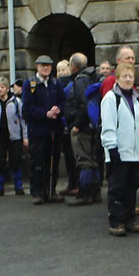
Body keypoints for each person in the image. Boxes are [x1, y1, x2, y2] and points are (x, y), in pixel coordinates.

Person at [101, 63, 139, 236]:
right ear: (117, 78)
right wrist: (111, 147)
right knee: (117, 188)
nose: (128, 79)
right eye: (124, 76)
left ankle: (130, 219)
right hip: (119, 152)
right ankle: (116, 221)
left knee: (132, 187)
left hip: (134, 153)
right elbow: (108, 124)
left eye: (130, 76)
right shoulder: (111, 98)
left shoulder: (137, 99)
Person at [21, 55, 66, 205]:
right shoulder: (30, 84)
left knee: (52, 160)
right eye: (42, 65)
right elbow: (27, 108)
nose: (45, 68)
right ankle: (38, 192)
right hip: (38, 129)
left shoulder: (55, 83)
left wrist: (58, 110)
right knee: (37, 161)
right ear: (37, 66)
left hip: (54, 128)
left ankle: (51, 190)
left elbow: (63, 101)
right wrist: (45, 113)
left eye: (48, 65)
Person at [64, 52, 101, 206]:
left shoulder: (80, 81)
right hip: (92, 125)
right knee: (92, 159)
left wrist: (77, 125)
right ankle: (95, 192)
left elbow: (83, 104)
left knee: (84, 160)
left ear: (73, 65)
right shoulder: (92, 77)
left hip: (82, 128)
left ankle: (85, 193)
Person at [0, 77, 28, 196]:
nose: (0, 90)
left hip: (14, 136)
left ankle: (18, 186)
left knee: (16, 160)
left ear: (8, 89)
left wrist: (25, 137)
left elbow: (23, 120)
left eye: (2, 87)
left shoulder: (16, 102)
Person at [56, 60, 79, 197]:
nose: (61, 72)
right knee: (68, 158)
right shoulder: (56, 85)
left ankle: (76, 184)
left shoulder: (71, 85)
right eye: (58, 70)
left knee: (73, 157)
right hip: (61, 125)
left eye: (63, 69)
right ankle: (71, 183)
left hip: (70, 124)